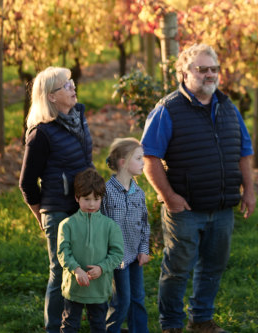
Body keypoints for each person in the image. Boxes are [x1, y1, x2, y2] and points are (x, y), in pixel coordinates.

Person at [141, 43, 256, 333]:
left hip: (222, 207)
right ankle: (171, 325)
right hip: (186, 209)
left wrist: (249, 191)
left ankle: (201, 320)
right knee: (177, 270)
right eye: (201, 69)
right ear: (184, 73)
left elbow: (244, 151)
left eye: (213, 69)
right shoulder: (168, 109)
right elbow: (149, 157)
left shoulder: (228, 107)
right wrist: (169, 197)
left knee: (213, 268)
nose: (209, 74)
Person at [19, 66, 95, 333]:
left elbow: (87, 161)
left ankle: (74, 324)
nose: (72, 86)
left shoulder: (78, 117)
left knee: (86, 265)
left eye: (71, 81)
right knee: (60, 271)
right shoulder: (41, 133)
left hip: (85, 207)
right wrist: (42, 215)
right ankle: (54, 328)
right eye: (65, 85)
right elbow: (26, 183)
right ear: (51, 97)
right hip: (59, 211)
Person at [57, 167, 124, 333]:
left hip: (99, 288)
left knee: (99, 326)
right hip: (74, 287)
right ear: (77, 198)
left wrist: (102, 267)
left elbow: (117, 253)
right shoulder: (67, 225)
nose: (92, 204)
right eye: (87, 199)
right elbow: (63, 252)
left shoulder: (110, 226)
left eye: (96, 199)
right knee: (70, 325)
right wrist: (76, 269)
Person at [102, 137, 151, 333]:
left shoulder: (138, 193)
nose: (143, 163)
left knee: (137, 297)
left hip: (134, 255)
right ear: (123, 162)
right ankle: (110, 330)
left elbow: (145, 224)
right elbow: (101, 224)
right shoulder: (106, 192)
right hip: (116, 257)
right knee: (122, 300)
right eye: (138, 158)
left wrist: (144, 249)